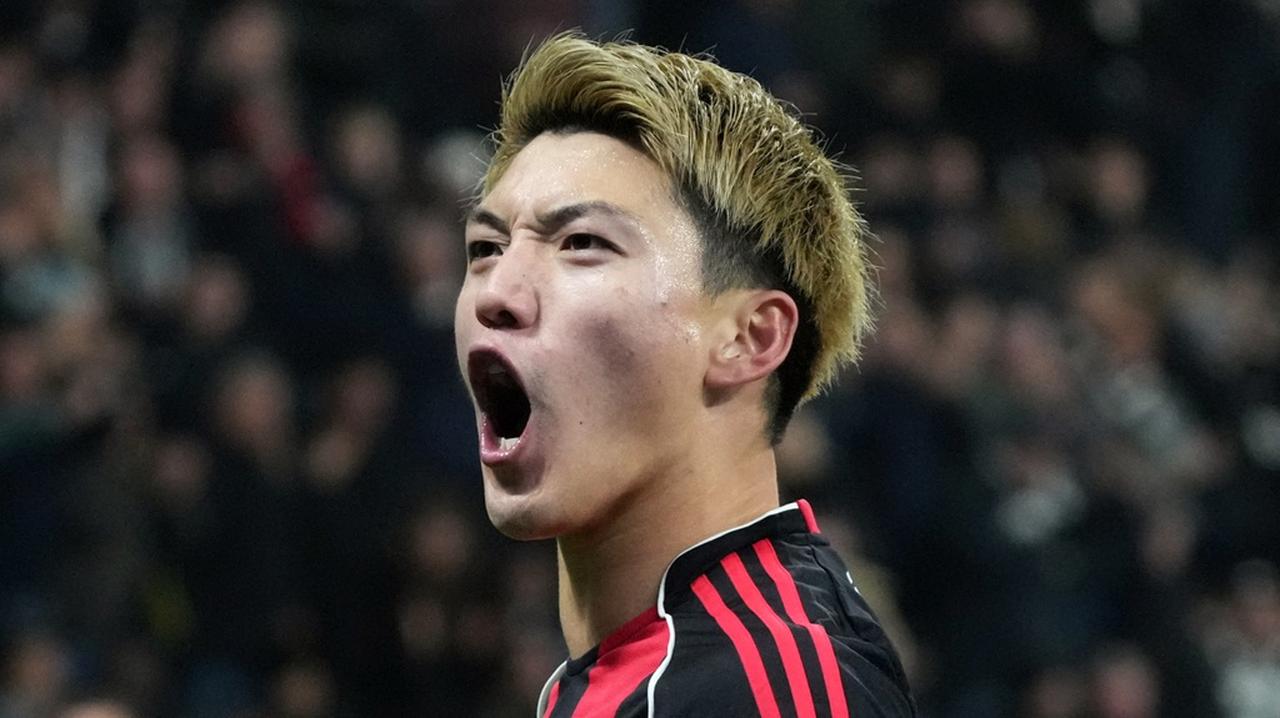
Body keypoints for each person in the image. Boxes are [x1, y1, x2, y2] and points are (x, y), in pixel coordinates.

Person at [454, 33, 916, 717]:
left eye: (582, 243)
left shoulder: (766, 690)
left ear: (749, 338)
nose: (495, 293)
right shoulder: (645, 673)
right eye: (486, 248)